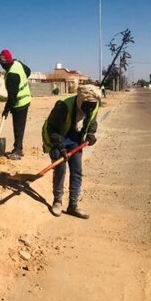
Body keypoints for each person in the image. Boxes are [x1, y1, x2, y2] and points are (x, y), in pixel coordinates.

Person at [42, 84, 101, 219]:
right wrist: (61, 147)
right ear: (80, 100)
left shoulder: (93, 105)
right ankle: (57, 201)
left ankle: (73, 205)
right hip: (57, 139)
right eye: (87, 105)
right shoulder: (63, 106)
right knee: (60, 169)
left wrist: (91, 134)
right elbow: (52, 129)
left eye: (92, 105)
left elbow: (92, 122)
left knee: (77, 171)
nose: (90, 108)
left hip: (75, 140)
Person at [0, 49, 32, 160]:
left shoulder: (12, 75)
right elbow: (28, 71)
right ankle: (18, 148)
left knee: (18, 127)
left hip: (20, 101)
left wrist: (6, 110)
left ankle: (18, 150)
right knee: (19, 126)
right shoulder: (18, 63)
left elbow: (12, 97)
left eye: (1, 64)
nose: (1, 66)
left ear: (5, 63)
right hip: (26, 97)